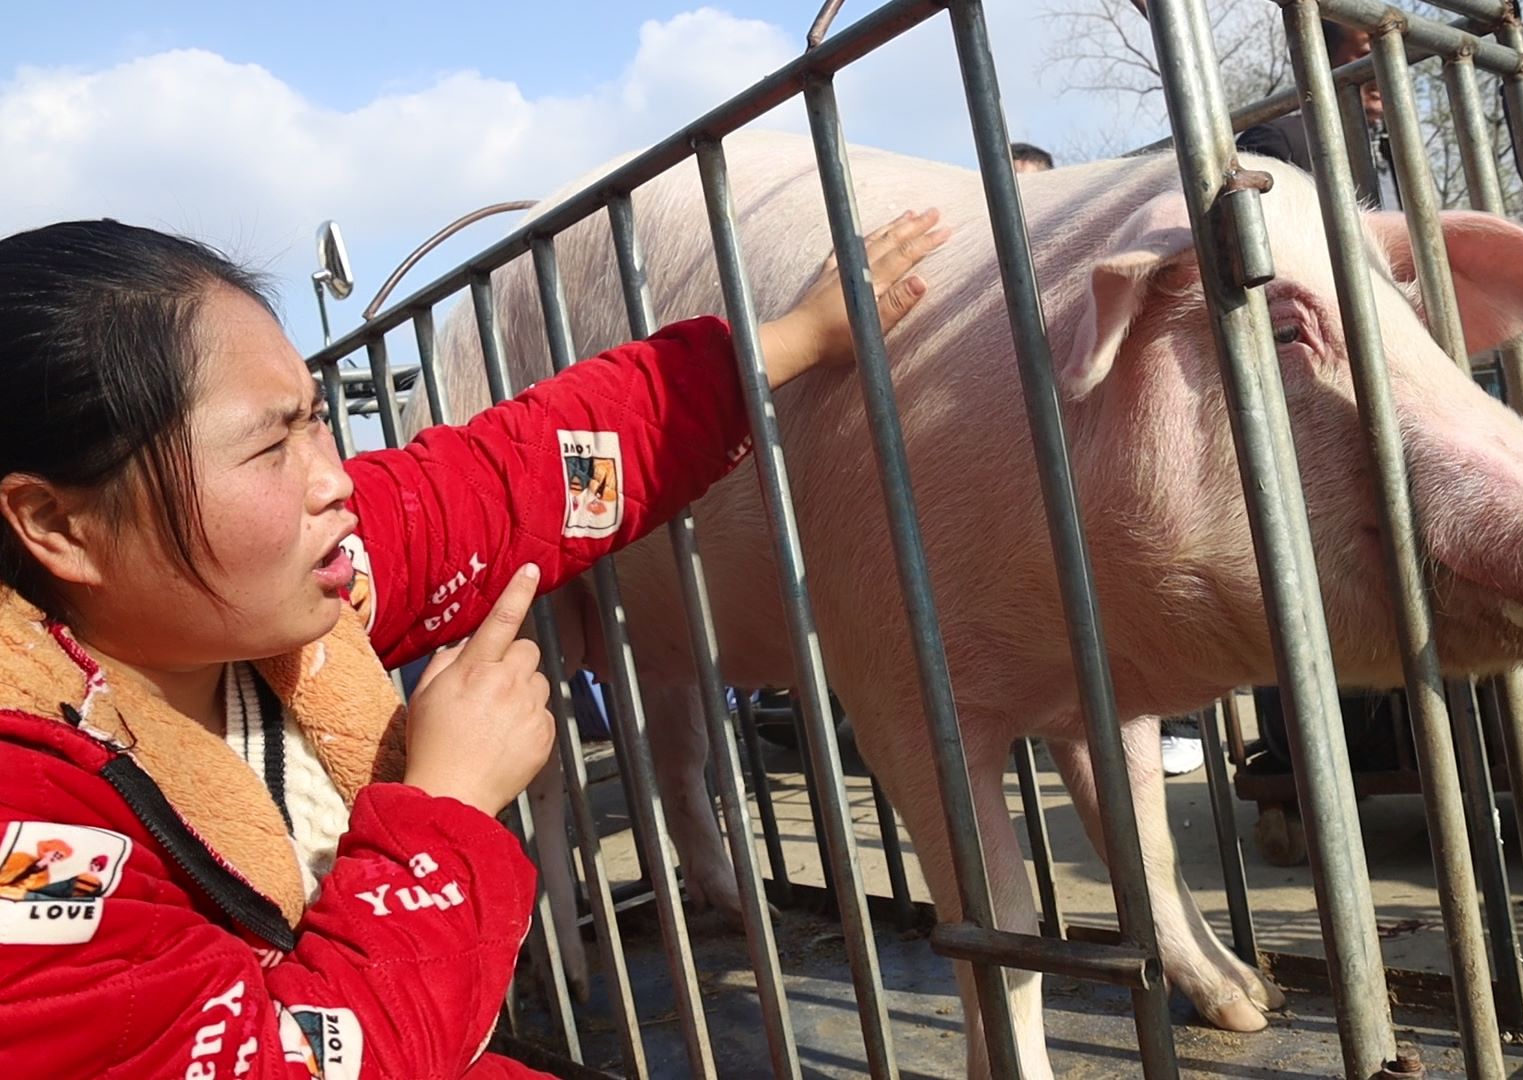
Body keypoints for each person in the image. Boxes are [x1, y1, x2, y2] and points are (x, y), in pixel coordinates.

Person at [0, 209, 946, 1076]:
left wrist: (785, 343)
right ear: (57, 524)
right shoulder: (26, 828)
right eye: (268, 447)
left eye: (318, 418)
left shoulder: (281, 599)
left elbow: (517, 476)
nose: (336, 481)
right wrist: (445, 811)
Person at [1236, 20, 1400, 210]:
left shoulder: (1392, 149)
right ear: (1323, 61)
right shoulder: (1279, 141)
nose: (1383, 71)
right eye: (1368, 56)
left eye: (1388, 58)